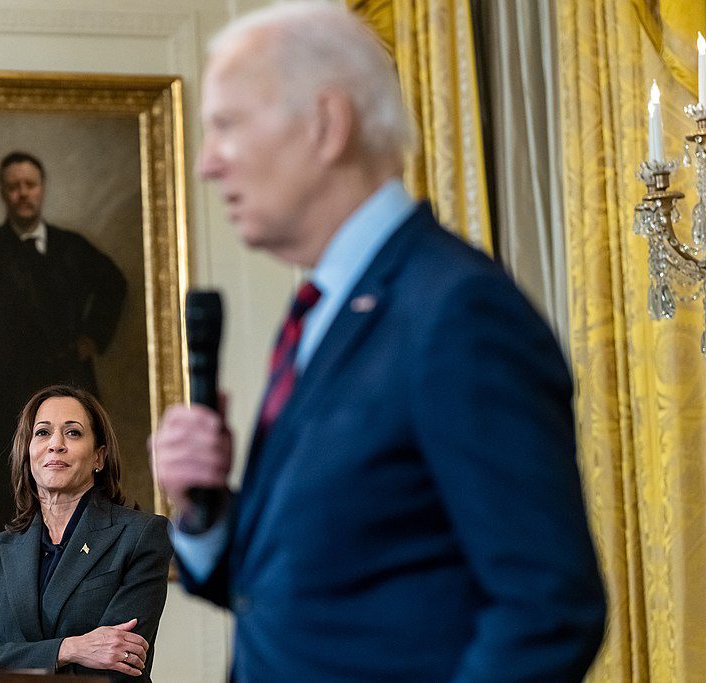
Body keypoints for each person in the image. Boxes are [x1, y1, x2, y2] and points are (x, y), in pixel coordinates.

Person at [150, 3, 606, 681]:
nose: (208, 163)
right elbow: (307, 586)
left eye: (227, 125)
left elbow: (547, 606)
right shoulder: (325, 309)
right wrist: (203, 512)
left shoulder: (457, 311)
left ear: (327, 125)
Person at [0, 152, 127, 529]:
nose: (22, 194)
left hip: (67, 383)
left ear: (42, 189)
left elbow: (114, 285)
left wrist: (93, 335)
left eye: (29, 185)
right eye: (13, 187)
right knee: (8, 493)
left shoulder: (71, 247)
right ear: (3, 193)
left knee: (80, 489)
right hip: (3, 391)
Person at [0, 385, 172, 680]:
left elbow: (119, 665)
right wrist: (70, 648)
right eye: (42, 433)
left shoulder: (141, 536)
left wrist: (4, 655)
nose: (56, 444)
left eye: (73, 433)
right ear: (27, 454)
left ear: (98, 457)